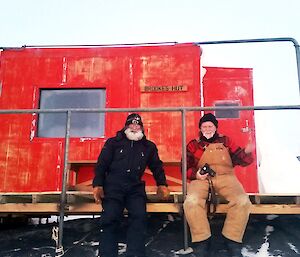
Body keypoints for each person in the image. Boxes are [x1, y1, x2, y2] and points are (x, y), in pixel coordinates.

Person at [93, 113, 170, 257]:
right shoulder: (113, 143)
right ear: (126, 126)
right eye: (131, 124)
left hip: (135, 188)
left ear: (141, 127)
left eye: (137, 125)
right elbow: (101, 164)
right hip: (113, 187)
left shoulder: (148, 146)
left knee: (139, 217)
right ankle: (107, 254)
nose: (134, 127)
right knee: (110, 218)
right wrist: (98, 184)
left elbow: (157, 166)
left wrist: (162, 184)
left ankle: (135, 254)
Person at [183, 113, 255, 257]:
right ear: (200, 128)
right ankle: (202, 240)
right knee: (191, 202)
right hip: (202, 179)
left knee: (242, 201)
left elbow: (240, 159)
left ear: (216, 127)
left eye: (210, 126)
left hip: (226, 177)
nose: (207, 129)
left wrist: (246, 152)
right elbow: (184, 166)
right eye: (204, 126)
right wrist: (196, 174)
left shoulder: (226, 141)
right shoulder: (193, 144)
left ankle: (232, 239)